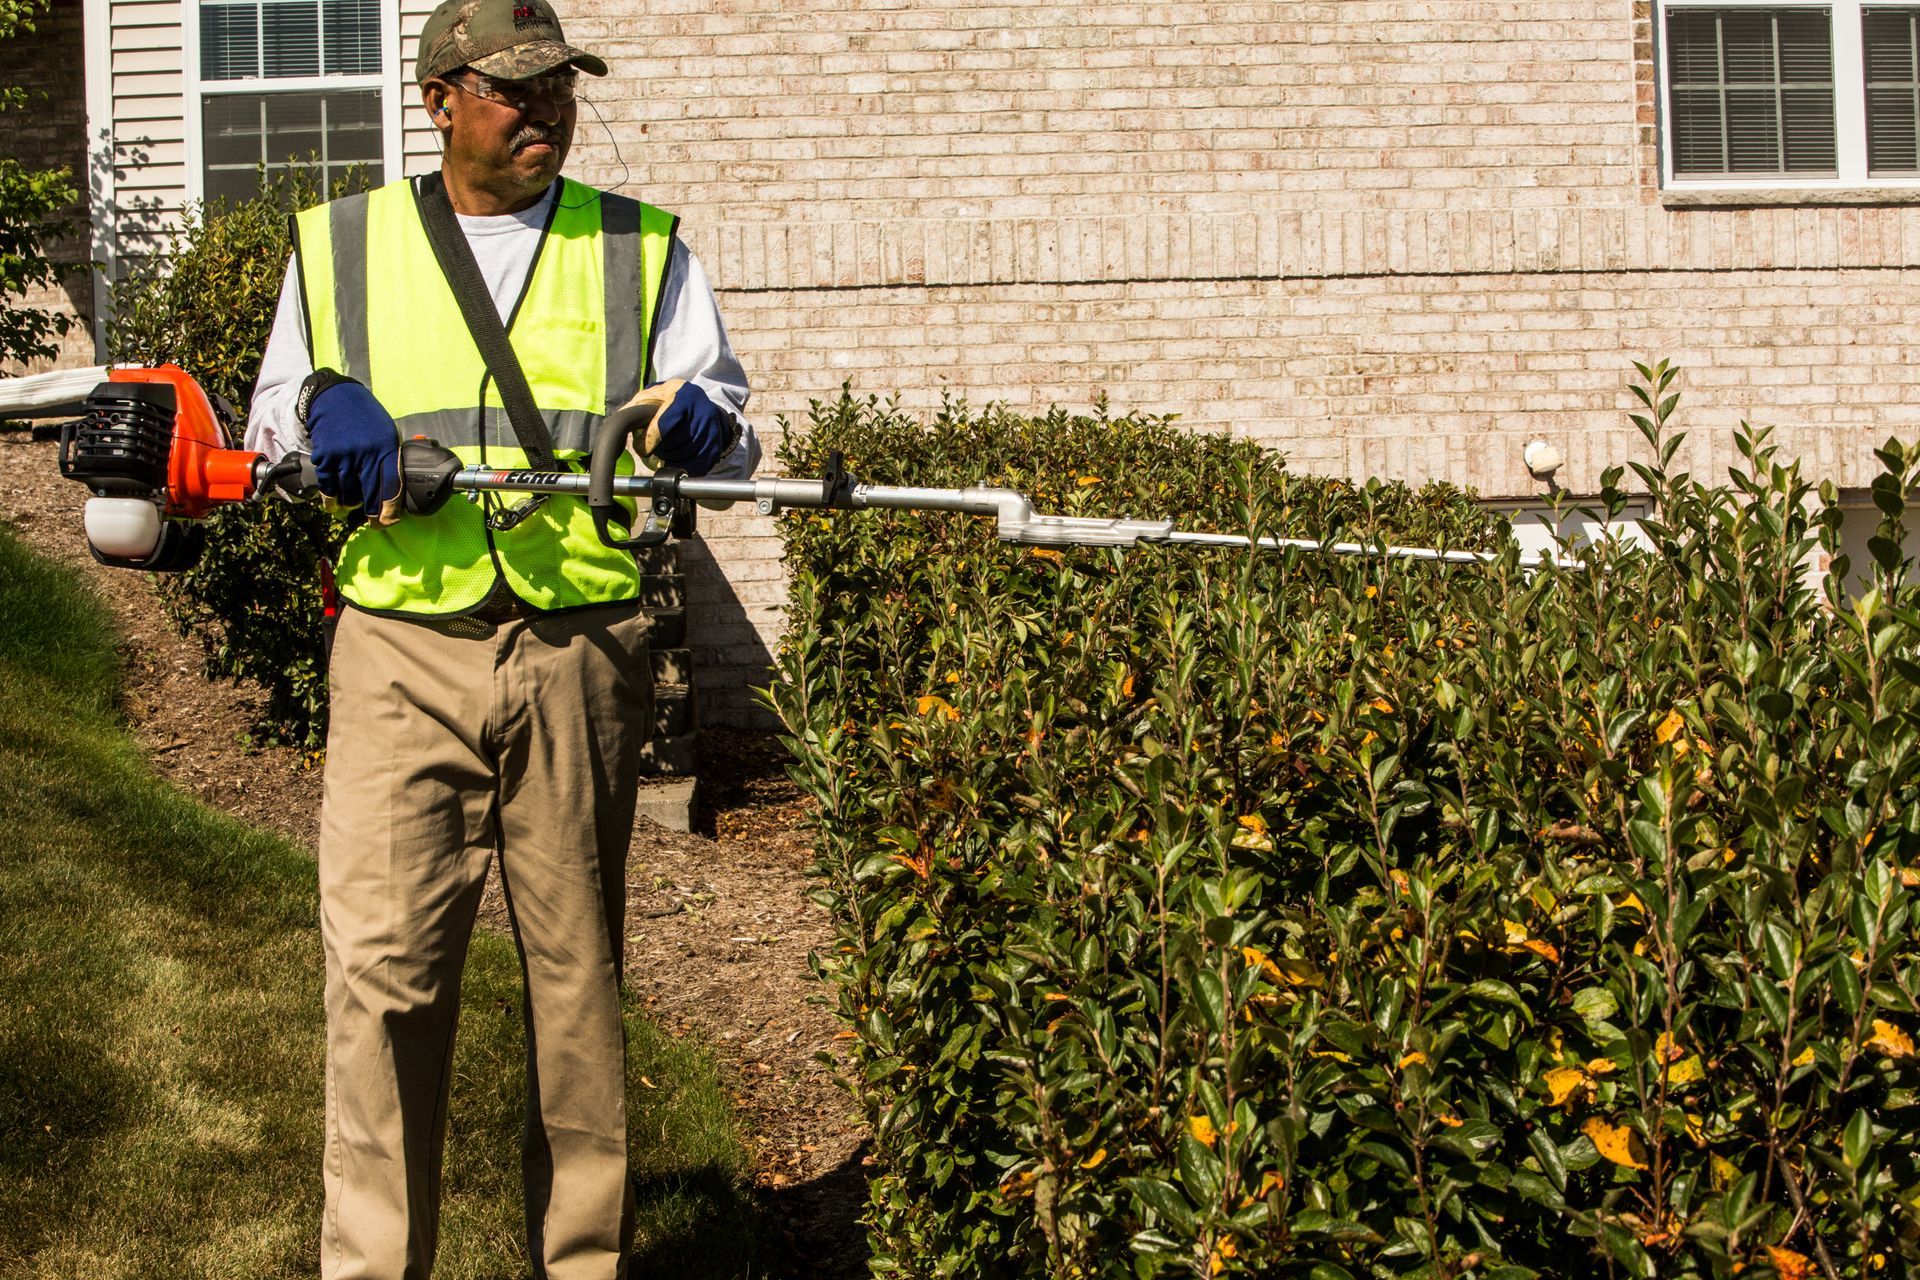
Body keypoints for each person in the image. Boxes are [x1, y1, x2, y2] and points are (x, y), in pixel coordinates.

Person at [244, 0, 760, 1273]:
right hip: (402, 652)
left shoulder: (642, 248)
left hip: (580, 648)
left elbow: (730, 427)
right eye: (513, 89)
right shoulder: (343, 246)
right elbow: (268, 427)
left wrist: (700, 427)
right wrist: (322, 407)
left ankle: (580, 1261)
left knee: (577, 990)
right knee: (380, 980)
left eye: (558, 86)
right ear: (440, 99)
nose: (545, 111)